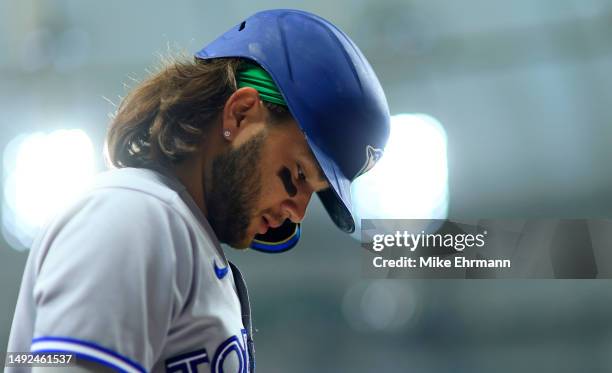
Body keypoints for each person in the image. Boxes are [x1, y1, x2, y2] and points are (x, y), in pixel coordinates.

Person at [7, 9, 390, 373]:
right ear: (240, 114)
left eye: (315, 192)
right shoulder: (132, 213)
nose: (298, 212)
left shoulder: (182, 234)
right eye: (297, 175)